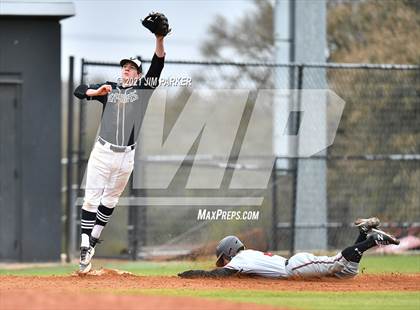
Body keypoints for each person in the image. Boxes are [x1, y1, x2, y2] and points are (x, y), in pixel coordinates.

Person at [73, 13, 170, 273]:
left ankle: (92, 241)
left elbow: (158, 65)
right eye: (124, 67)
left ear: (138, 74)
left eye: (130, 68)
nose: (125, 70)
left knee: (111, 200)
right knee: (91, 199)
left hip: (126, 157)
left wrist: (159, 38)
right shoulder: (110, 89)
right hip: (103, 152)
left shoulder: (143, 91)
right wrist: (96, 92)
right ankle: (84, 247)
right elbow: (79, 90)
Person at [178, 217, 400, 279]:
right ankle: (362, 233)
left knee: (335, 262)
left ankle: (372, 240)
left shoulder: (241, 259)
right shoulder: (247, 258)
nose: (224, 263)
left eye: (223, 259)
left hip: (295, 267)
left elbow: (221, 275)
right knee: (348, 272)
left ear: (229, 253)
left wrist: (191, 274)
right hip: (296, 267)